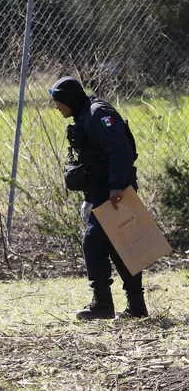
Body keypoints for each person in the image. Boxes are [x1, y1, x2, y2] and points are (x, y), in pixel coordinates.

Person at [49, 76, 147, 319]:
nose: (57, 107)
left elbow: (121, 149)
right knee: (121, 247)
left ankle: (103, 305)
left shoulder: (97, 114)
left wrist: (116, 187)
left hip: (113, 193)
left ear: (70, 99)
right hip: (101, 191)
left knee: (95, 243)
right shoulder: (84, 115)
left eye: (58, 101)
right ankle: (136, 307)